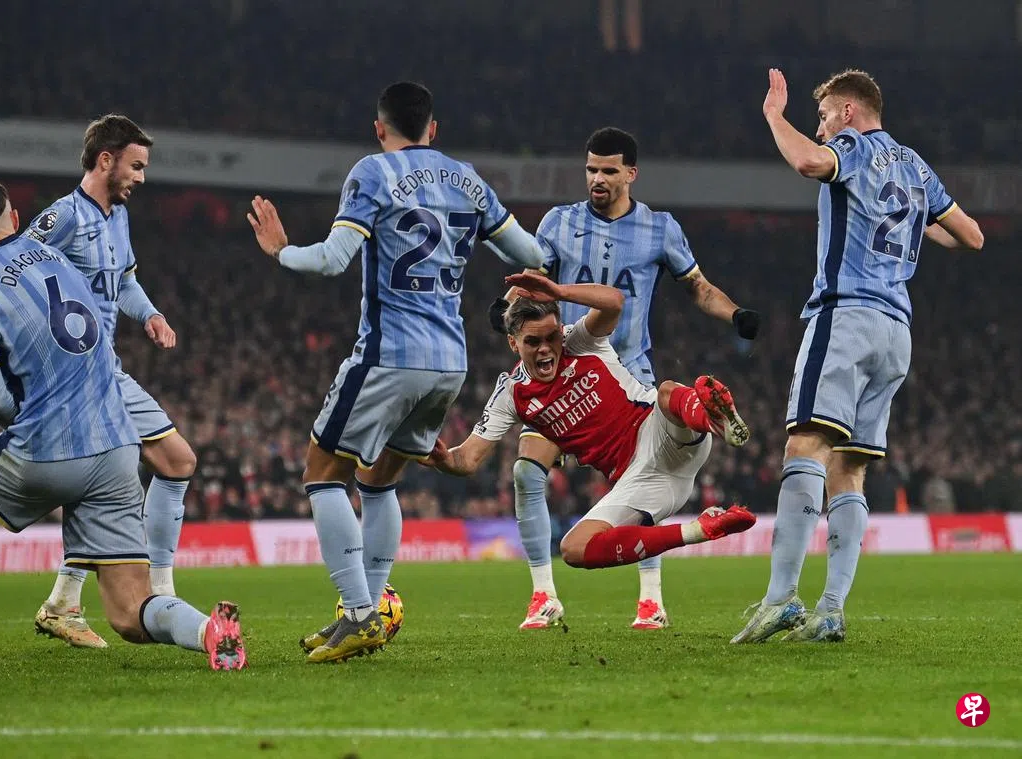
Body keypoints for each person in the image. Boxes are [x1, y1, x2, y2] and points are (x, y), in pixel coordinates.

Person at [246, 82, 545, 662]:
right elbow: (531, 256)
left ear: (379, 128)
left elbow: (332, 259)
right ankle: (367, 610)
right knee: (380, 479)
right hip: (450, 363)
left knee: (322, 472)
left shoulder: (373, 172)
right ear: (434, 128)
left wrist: (281, 250)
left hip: (391, 355)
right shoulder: (469, 180)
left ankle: (359, 612)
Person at [0, 162, 244, 670]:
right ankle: (209, 631)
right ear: (15, 218)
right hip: (117, 448)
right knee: (129, 612)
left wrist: (37, 434)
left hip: (47, 448)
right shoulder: (58, 258)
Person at [731, 69, 984, 643]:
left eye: (824, 116)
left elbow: (808, 163)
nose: (820, 128)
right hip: (897, 333)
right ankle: (831, 611)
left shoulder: (852, 147)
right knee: (849, 467)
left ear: (848, 112)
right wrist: (921, 225)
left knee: (805, 446)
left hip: (846, 316)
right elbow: (971, 236)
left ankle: (780, 598)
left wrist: (774, 116)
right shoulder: (916, 166)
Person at [486, 127, 760, 631]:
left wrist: (735, 313)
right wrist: (504, 308)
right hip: (563, 372)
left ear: (631, 173)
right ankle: (543, 594)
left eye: (609, 170)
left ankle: (650, 600)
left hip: (627, 372)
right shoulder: (559, 222)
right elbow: (533, 283)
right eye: (591, 169)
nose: (598, 178)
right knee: (526, 472)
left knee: (636, 484)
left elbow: (698, 287)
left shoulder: (660, 228)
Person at [427, 273, 757, 577]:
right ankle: (700, 529)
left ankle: (715, 420)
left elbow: (614, 301)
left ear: (561, 330)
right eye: (533, 342)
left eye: (551, 337)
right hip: (638, 481)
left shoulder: (580, 341)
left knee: (667, 392)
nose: (546, 349)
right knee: (573, 548)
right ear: (514, 343)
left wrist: (558, 292)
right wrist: (438, 456)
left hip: (662, 433)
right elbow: (466, 459)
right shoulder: (512, 394)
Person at [25, 115, 197, 649]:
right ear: (106, 160)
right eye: (136, 166)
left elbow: (124, 282)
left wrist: (151, 315)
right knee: (129, 471)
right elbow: (13, 272)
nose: (141, 177)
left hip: (107, 370)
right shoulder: (62, 218)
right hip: (71, 378)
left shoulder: (118, 217)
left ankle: (77, 599)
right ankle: (137, 594)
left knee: (172, 463)